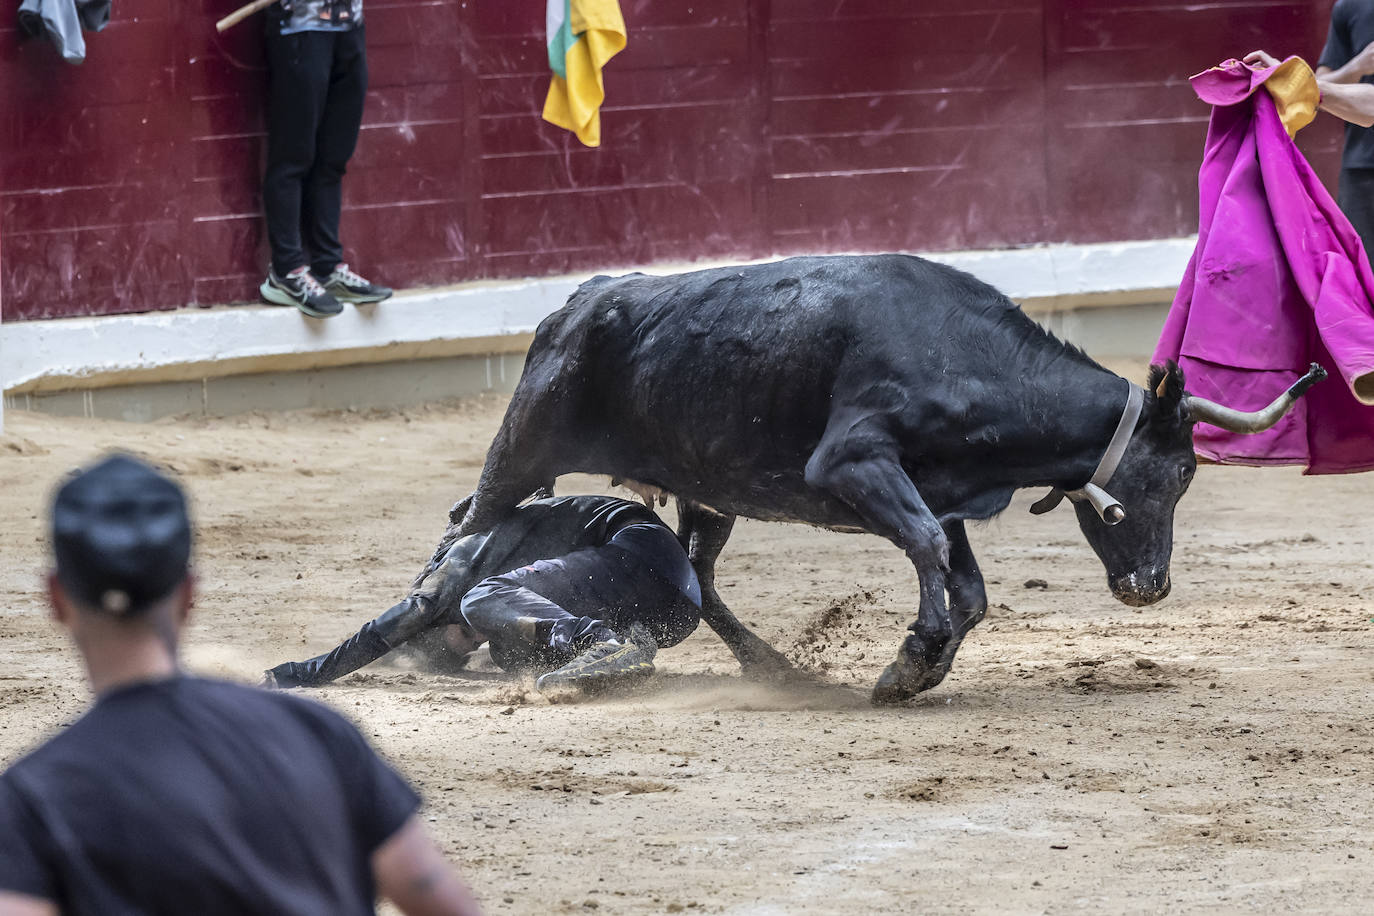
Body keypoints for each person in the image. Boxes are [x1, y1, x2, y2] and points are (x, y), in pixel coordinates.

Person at [0, 455, 481, 916]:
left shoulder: (32, 797)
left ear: (56, 599)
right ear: (188, 594)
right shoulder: (318, 733)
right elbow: (435, 898)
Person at [265, 494, 702, 692]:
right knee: (516, 654)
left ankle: (599, 643)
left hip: (637, 553)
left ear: (437, 619)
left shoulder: (462, 560)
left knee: (482, 598)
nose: (481, 635)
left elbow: (399, 620)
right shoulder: (514, 562)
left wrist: (306, 672)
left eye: (466, 634)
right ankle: (625, 643)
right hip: (677, 607)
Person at [260, 0, 393, 319]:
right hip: (298, 27)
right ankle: (287, 271)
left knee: (334, 157)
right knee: (293, 155)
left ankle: (326, 267)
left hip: (349, 25)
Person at [1316, 1, 1374, 262]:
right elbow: (1318, 85)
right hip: (1361, 167)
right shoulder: (1351, 5)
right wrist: (1356, 67)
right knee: (1359, 273)